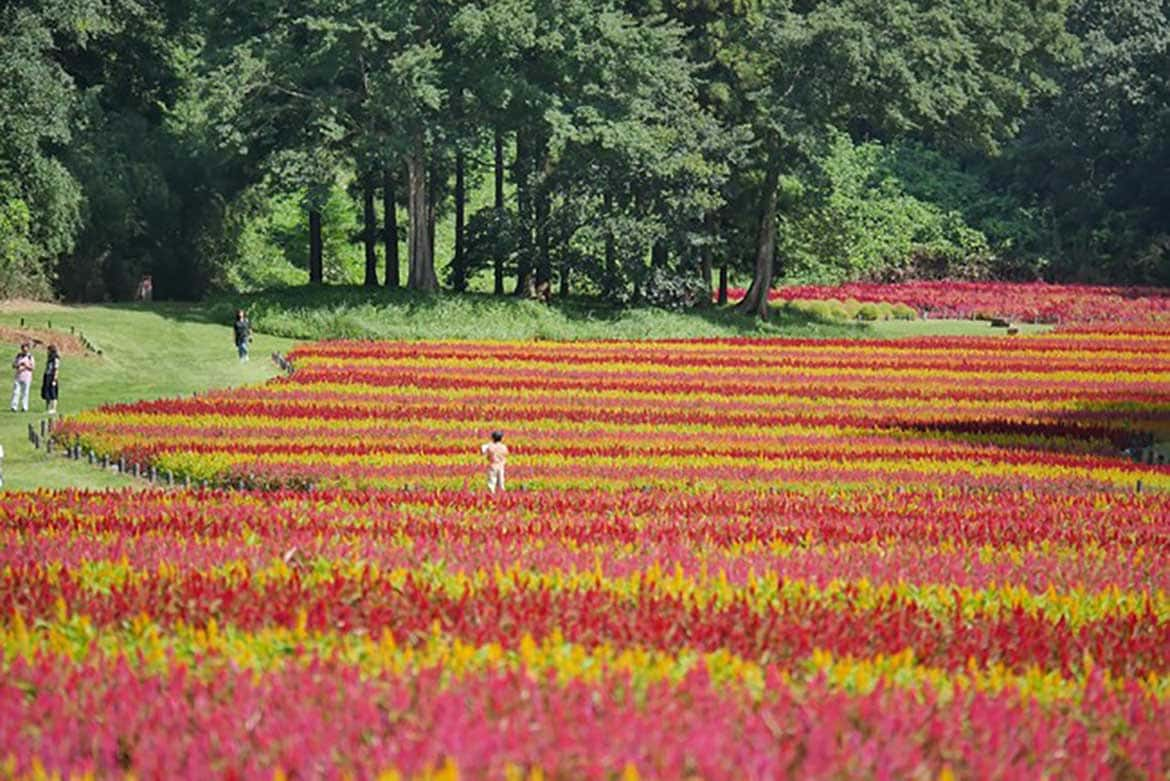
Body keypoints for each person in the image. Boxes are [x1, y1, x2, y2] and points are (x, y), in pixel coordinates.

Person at [10, 343, 34, 412]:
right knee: (16, 392)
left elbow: (32, 367)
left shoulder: (30, 357)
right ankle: (14, 407)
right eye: (23, 349)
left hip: (27, 377)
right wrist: (18, 365)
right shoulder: (18, 356)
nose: (24, 350)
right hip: (18, 377)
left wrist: (26, 366)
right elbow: (13, 365)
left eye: (26, 349)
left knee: (25, 393)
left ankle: (25, 407)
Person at [41, 345, 60, 415]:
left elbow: (56, 369)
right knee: (47, 392)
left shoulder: (55, 359)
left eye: (48, 350)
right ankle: (47, 408)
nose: (47, 352)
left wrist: (54, 379)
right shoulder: (49, 359)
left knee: (53, 392)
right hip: (47, 376)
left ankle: (53, 408)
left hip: (52, 376)